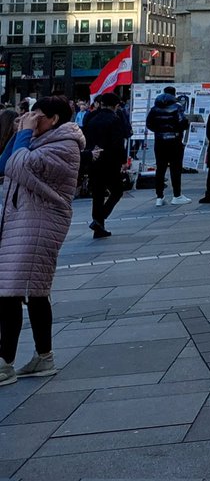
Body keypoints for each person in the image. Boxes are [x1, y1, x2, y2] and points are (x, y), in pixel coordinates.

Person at [0, 97, 85, 385]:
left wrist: (24, 133)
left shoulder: (66, 146)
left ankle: (4, 363)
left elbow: (19, 167)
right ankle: (43, 357)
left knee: (10, 292)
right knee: (34, 292)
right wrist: (19, 133)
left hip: (39, 224)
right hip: (22, 223)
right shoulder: (42, 142)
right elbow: (4, 163)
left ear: (54, 119)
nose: (33, 119)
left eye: (38, 116)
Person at [82, 92, 128, 237]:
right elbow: (118, 143)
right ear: (115, 106)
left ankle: (99, 227)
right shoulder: (114, 119)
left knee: (98, 194)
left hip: (93, 160)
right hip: (110, 161)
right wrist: (123, 161)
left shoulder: (90, 117)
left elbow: (85, 139)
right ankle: (99, 218)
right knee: (117, 191)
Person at [145, 85, 190, 207]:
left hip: (160, 141)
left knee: (160, 168)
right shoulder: (177, 107)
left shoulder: (155, 108)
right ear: (174, 95)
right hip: (174, 141)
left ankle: (159, 196)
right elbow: (183, 122)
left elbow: (149, 123)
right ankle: (177, 195)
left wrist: (159, 131)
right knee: (176, 168)